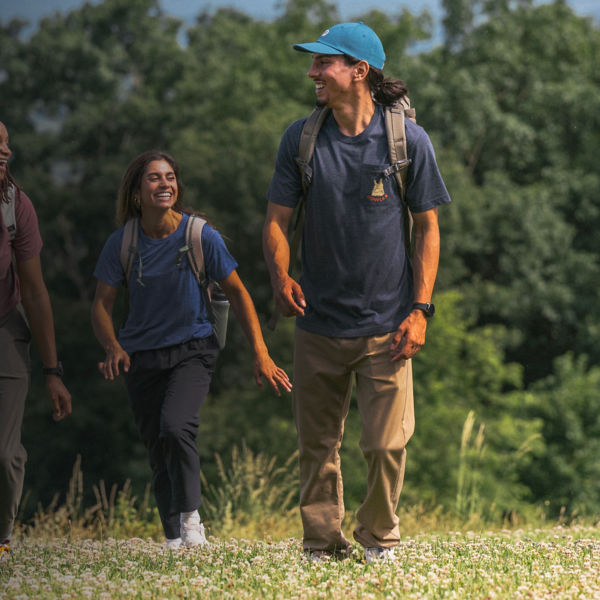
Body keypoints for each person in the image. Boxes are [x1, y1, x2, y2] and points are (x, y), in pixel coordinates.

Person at [263, 22, 451, 562]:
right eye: (315, 63)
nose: (313, 72)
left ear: (359, 71)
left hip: (388, 326)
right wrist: (280, 278)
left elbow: (428, 229)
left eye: (325, 63)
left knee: (386, 444)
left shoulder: (407, 141)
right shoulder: (300, 139)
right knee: (316, 447)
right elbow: (276, 221)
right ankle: (321, 543)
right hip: (318, 323)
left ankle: (378, 538)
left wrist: (420, 310)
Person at [91, 149, 291, 550]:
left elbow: (238, 292)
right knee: (156, 444)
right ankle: (171, 537)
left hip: (193, 349)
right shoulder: (123, 242)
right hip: (141, 355)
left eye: (169, 177)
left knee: (175, 427)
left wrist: (261, 352)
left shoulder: (200, 236)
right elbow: (101, 304)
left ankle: (191, 520)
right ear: (136, 192)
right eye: (153, 178)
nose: (164, 184)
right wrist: (112, 346)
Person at [0, 121, 72, 559]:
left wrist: (52, 371)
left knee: (4, 455)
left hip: (5, 328)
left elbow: (35, 291)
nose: (3, 152)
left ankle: (1, 537)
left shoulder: (15, 205)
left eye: (5, 144)